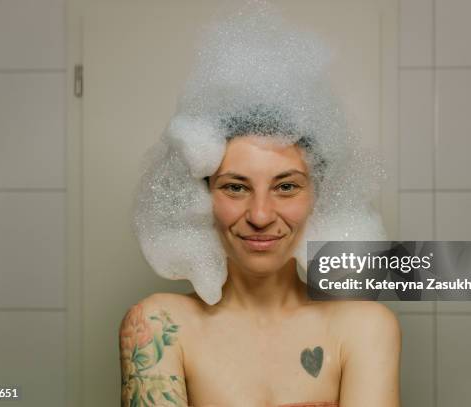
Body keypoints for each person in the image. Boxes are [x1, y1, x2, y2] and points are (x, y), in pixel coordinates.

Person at [120, 4, 400, 406]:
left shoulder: (364, 328)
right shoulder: (160, 325)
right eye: (236, 188)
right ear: (202, 198)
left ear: (317, 197)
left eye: (286, 187)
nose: (261, 215)